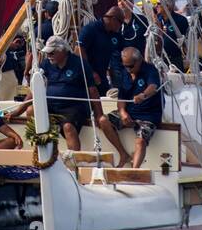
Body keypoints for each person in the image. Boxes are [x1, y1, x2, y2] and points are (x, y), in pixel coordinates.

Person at [11, 35, 130, 166]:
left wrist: (99, 114)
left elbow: (93, 90)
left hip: (74, 106)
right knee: (30, 111)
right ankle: (43, 146)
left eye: (52, 52)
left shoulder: (79, 64)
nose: (49, 55)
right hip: (51, 106)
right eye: (47, 53)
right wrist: (17, 112)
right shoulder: (45, 64)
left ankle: (74, 164)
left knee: (68, 127)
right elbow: (35, 91)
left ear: (62, 51)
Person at [110, 47, 163, 168]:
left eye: (131, 66)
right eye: (125, 66)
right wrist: (122, 112)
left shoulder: (150, 70)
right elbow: (121, 97)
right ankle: (123, 154)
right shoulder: (125, 73)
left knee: (140, 141)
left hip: (148, 115)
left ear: (139, 61)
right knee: (103, 121)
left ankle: (134, 171)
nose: (128, 69)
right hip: (130, 112)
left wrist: (143, 95)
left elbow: (153, 87)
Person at [77, 5, 125, 92]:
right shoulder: (91, 29)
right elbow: (78, 50)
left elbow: (124, 50)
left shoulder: (115, 34)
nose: (121, 26)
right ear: (113, 19)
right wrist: (90, 72)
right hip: (88, 76)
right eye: (121, 23)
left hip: (103, 75)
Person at [153, 0, 189, 72]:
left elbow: (187, 41)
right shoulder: (157, 19)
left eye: (158, 4)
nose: (156, 6)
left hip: (175, 60)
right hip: (160, 59)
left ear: (167, 6)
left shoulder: (181, 20)